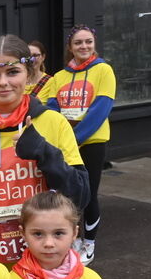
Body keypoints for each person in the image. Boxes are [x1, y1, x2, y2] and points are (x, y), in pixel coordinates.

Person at [0, 34, 90, 266]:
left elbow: (80, 196)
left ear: (29, 74)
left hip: (47, 262)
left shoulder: (54, 123)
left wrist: (44, 152)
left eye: (12, 72)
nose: (3, 82)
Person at [46, 25, 116, 266]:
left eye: (88, 42)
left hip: (90, 142)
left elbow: (100, 110)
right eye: (78, 43)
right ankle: (72, 239)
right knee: (66, 194)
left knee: (89, 194)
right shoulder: (59, 77)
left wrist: (72, 140)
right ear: (70, 47)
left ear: (94, 43)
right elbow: (52, 109)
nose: (84, 47)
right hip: (65, 144)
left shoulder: (104, 70)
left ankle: (90, 242)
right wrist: (58, 138)